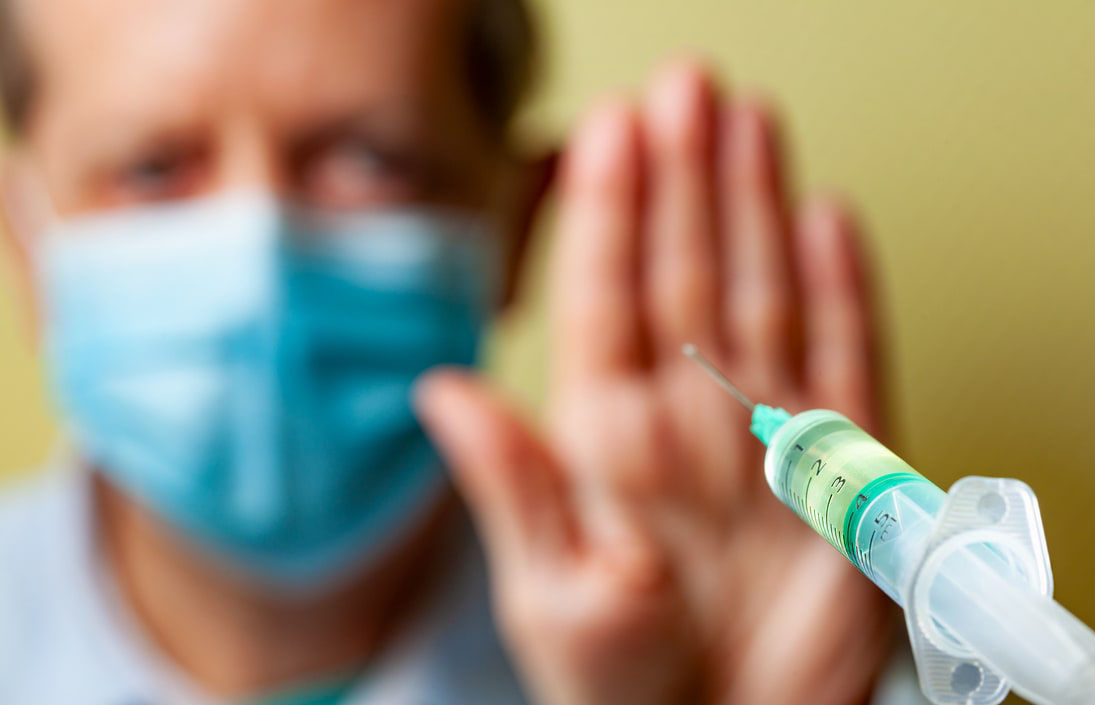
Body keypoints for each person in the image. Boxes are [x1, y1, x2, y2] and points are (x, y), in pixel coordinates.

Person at [0, 0, 908, 703]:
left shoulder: (682, 633)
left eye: (370, 162)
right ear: (23, 241)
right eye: (152, 167)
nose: (259, 254)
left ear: (518, 225)